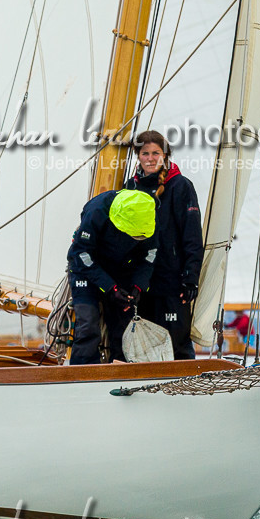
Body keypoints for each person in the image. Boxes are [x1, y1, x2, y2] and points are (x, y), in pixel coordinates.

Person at [123, 130, 203, 360]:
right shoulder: (130, 188)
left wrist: (191, 277)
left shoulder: (180, 186)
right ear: (138, 157)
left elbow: (192, 235)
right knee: (142, 349)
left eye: (156, 153)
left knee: (176, 345)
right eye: (145, 153)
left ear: (165, 155)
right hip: (140, 283)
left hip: (172, 282)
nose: (150, 158)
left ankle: (183, 382)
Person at [67, 188, 158, 364]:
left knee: (124, 328)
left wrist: (138, 286)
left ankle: (121, 371)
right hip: (85, 268)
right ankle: (83, 373)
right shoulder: (96, 211)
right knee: (88, 326)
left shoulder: (148, 217)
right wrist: (110, 287)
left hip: (121, 269)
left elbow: (149, 256)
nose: (137, 239)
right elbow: (82, 253)